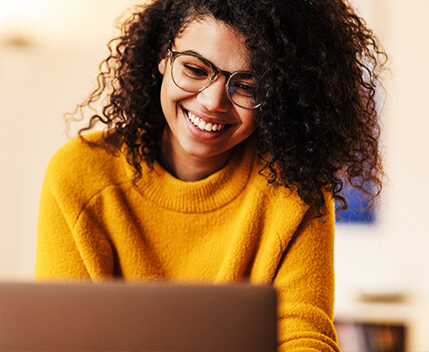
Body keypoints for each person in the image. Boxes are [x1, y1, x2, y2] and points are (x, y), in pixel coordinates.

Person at [35, 0, 386, 351]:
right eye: (195, 69)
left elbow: (304, 338)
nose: (213, 102)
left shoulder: (296, 192)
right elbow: (60, 338)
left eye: (247, 86)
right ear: (163, 54)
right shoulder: (79, 175)